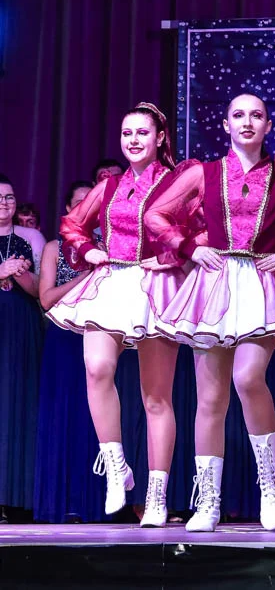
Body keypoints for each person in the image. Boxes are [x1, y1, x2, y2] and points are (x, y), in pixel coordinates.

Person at [144, 93, 275, 532]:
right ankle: (208, 500)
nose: (247, 122)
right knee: (210, 397)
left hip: (261, 283)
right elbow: (155, 215)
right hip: (214, 282)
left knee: (247, 377)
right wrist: (189, 247)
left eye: (256, 115)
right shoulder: (204, 173)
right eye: (238, 115)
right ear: (225, 125)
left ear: (268, 126)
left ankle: (271, 481)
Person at [46, 104, 182, 527]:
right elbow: (72, 224)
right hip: (111, 281)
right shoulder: (109, 186)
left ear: (160, 137)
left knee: (156, 397)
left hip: (156, 285)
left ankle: (156, 494)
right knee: (96, 367)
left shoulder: (176, 181)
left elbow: (199, 228)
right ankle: (116, 465)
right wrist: (88, 249)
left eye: (142, 132)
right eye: (127, 133)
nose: (134, 140)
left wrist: (172, 256)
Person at [33, 181, 111, 523]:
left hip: (99, 335)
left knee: (97, 420)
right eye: (80, 203)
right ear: (68, 210)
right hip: (62, 340)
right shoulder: (54, 247)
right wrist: (86, 278)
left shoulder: (108, 246)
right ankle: (58, 504)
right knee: (62, 418)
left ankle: (97, 504)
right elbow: (46, 299)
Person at [0, 174, 43, 523]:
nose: (5, 204)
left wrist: (20, 274)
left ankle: (16, 497)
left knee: (18, 406)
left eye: (10, 197)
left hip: (21, 328)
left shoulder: (30, 238)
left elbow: (41, 292)